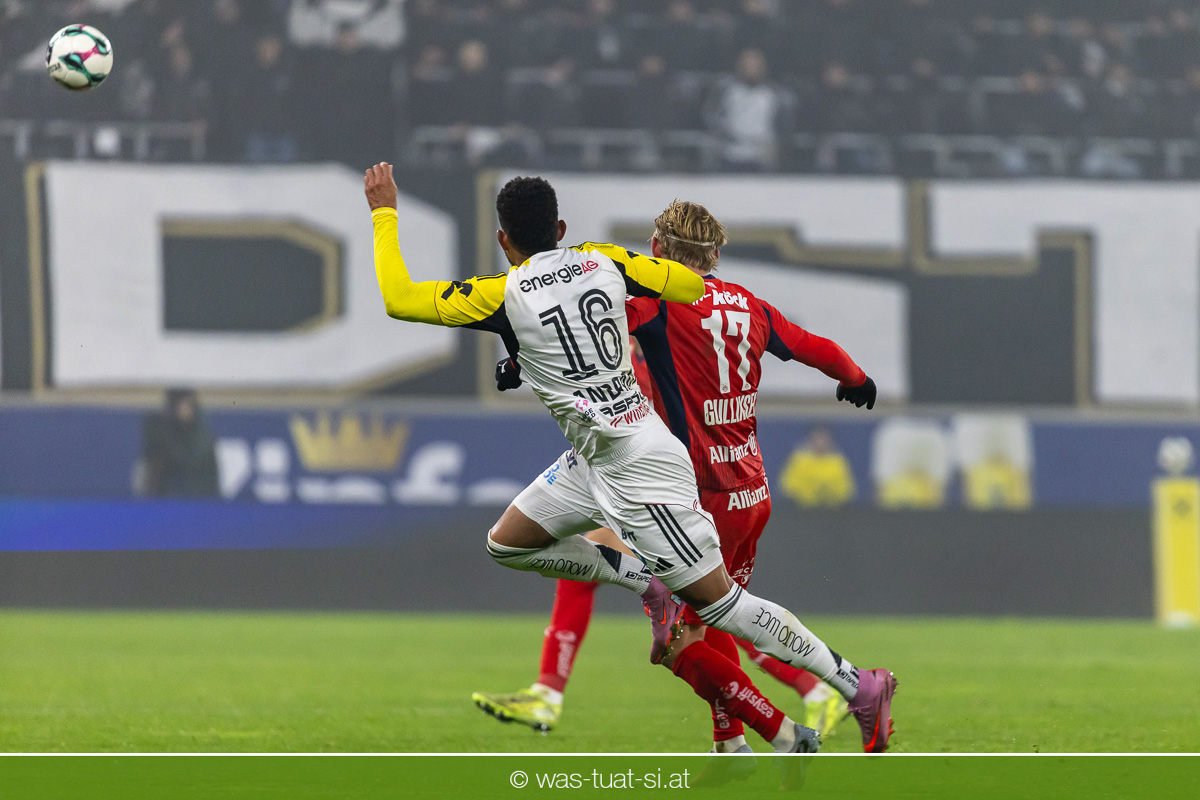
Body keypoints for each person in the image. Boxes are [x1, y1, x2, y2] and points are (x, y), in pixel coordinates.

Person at [366, 165, 896, 755]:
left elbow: (399, 299)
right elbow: (687, 286)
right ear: (560, 228)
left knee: (719, 609)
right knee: (507, 543)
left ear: (503, 240)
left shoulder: (502, 294)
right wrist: (641, 280)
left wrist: (384, 210)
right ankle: (645, 583)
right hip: (596, 458)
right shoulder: (604, 260)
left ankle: (854, 685)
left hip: (642, 465)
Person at [139, 388, 220, 498]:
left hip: (198, 496)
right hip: (169, 498)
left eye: (188, 405)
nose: (185, 409)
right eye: (181, 405)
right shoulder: (161, 430)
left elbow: (188, 463)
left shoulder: (202, 437)